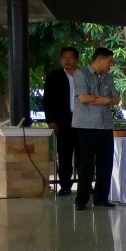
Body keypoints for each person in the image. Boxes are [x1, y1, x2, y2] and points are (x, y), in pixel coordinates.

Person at [72, 47, 120, 211]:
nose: (110, 65)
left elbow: (116, 99)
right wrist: (104, 99)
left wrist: (106, 100)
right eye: (109, 61)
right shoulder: (81, 74)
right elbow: (83, 97)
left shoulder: (108, 77)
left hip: (105, 125)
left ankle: (101, 198)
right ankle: (81, 200)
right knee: (86, 164)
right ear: (100, 59)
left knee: (105, 163)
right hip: (85, 125)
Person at [42, 47, 79, 196]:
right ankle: (65, 185)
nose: (67, 60)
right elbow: (47, 100)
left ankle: (86, 184)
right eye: (64, 57)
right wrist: (51, 120)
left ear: (77, 59)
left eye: (70, 57)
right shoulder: (54, 76)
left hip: (82, 120)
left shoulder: (84, 76)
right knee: (64, 155)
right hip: (62, 122)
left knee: (84, 155)